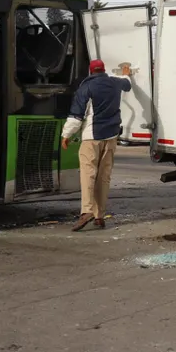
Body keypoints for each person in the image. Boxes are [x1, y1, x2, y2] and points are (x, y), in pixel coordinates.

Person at [61, 59, 133, 231]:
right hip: (111, 136)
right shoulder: (115, 83)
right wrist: (126, 73)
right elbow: (127, 84)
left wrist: (66, 135)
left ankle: (86, 211)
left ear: (90, 71)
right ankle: (99, 216)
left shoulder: (86, 88)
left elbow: (77, 116)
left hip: (92, 136)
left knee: (88, 174)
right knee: (103, 177)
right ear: (104, 70)